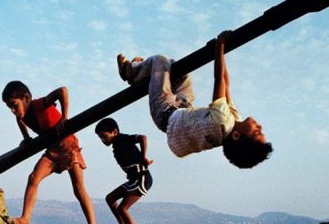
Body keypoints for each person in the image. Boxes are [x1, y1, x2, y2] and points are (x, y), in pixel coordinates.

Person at [116, 31, 273, 168]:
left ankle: (133, 71)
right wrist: (221, 51)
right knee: (179, 71)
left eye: (257, 131)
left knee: (161, 61)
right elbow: (227, 86)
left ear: (237, 135)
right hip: (183, 108)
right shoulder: (233, 121)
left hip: (164, 112)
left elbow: (219, 80)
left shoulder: (223, 121)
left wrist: (220, 46)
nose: (259, 125)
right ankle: (140, 71)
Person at [0, 81, 101, 224]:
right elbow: (20, 120)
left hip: (68, 146)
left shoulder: (39, 104)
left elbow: (63, 91)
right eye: (9, 107)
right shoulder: (21, 115)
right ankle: (25, 220)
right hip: (53, 151)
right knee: (33, 178)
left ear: (26, 98)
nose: (12, 110)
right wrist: (26, 138)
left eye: (14, 105)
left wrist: (64, 117)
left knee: (78, 188)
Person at [95, 117, 152, 224]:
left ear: (114, 132)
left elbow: (142, 137)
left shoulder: (122, 138)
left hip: (141, 177)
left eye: (104, 136)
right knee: (110, 198)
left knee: (123, 208)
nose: (103, 141)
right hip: (133, 179)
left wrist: (143, 156)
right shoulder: (116, 144)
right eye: (100, 138)